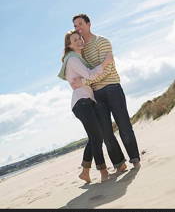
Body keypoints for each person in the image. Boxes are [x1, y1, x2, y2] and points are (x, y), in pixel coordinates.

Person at [71, 14, 141, 169]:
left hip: (112, 88)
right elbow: (86, 72)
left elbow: (107, 69)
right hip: (96, 94)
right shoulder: (81, 51)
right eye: (75, 26)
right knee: (106, 133)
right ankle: (119, 163)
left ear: (89, 24)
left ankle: (134, 159)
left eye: (80, 24)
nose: (78, 28)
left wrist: (84, 81)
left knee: (124, 125)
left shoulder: (102, 41)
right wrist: (86, 79)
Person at [58, 30, 118, 183]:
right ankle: (103, 172)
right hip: (82, 102)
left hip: (86, 101)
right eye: (75, 40)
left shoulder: (77, 58)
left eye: (79, 38)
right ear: (69, 45)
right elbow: (90, 75)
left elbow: (87, 76)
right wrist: (105, 62)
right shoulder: (72, 60)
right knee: (96, 137)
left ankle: (85, 171)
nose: (79, 41)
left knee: (94, 137)